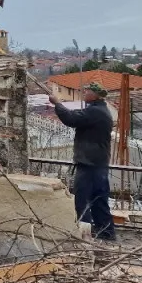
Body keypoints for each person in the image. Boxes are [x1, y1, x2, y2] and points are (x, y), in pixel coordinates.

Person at [49, 82, 116, 241]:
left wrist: (57, 103)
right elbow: (76, 115)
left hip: (89, 165)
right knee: (99, 200)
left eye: (88, 90)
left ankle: (85, 234)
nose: (84, 92)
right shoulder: (99, 110)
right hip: (97, 164)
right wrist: (61, 105)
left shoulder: (95, 112)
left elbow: (71, 118)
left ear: (96, 95)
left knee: (82, 200)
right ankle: (105, 233)